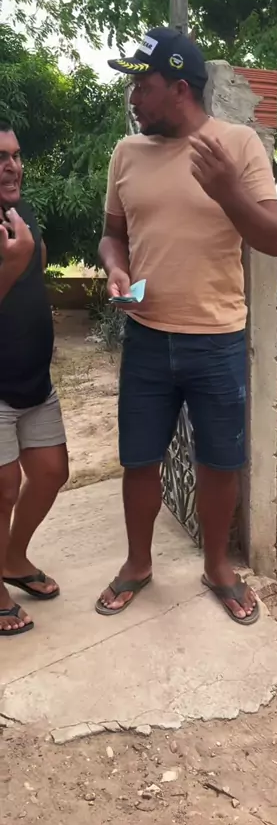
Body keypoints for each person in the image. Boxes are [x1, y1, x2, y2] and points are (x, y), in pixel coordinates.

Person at [96, 27, 277, 623]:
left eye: (143, 85)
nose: (133, 96)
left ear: (179, 88)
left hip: (218, 338)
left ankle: (218, 568)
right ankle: (137, 564)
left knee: (220, 462)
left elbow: (272, 237)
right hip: (147, 336)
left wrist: (228, 189)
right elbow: (112, 235)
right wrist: (116, 268)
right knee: (139, 459)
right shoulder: (127, 153)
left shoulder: (238, 145)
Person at [0, 122, 69, 636]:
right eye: (0, 157)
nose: (12, 166)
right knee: (4, 488)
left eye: (16, 155)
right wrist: (12, 264)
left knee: (50, 472)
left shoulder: (22, 215)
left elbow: (35, 274)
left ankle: (13, 558)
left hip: (35, 381)